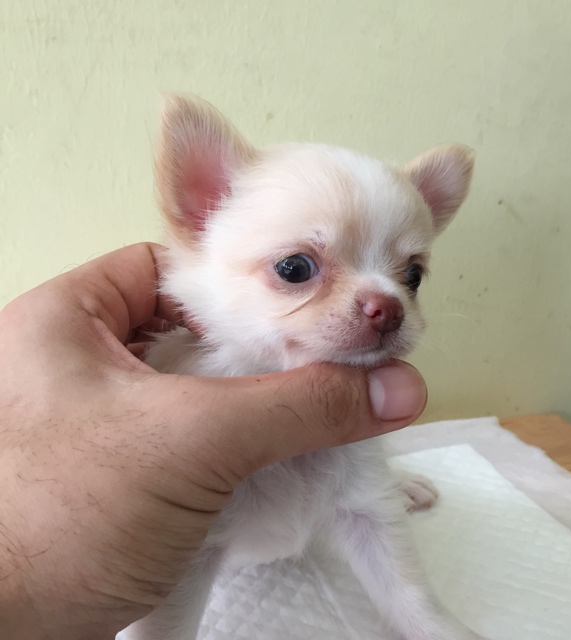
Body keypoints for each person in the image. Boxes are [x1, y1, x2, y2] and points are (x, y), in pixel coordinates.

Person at [0, 243, 427, 639]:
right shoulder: (179, 392)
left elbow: (363, 515)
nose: (385, 303)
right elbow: (197, 553)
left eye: (410, 276)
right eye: (294, 269)